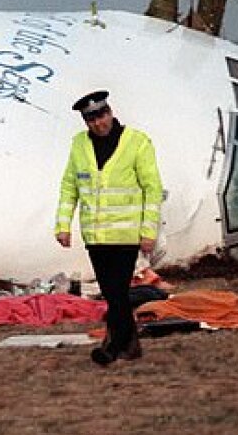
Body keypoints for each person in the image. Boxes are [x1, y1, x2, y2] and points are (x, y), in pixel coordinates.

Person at [55, 90, 163, 366]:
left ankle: (112, 347)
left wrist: (149, 232)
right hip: (96, 235)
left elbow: (152, 189)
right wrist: (62, 224)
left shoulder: (137, 142)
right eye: (91, 119)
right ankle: (131, 345)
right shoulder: (79, 145)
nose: (98, 123)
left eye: (101, 115)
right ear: (85, 121)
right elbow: (70, 187)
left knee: (116, 293)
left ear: (110, 113)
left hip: (126, 235)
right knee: (114, 294)